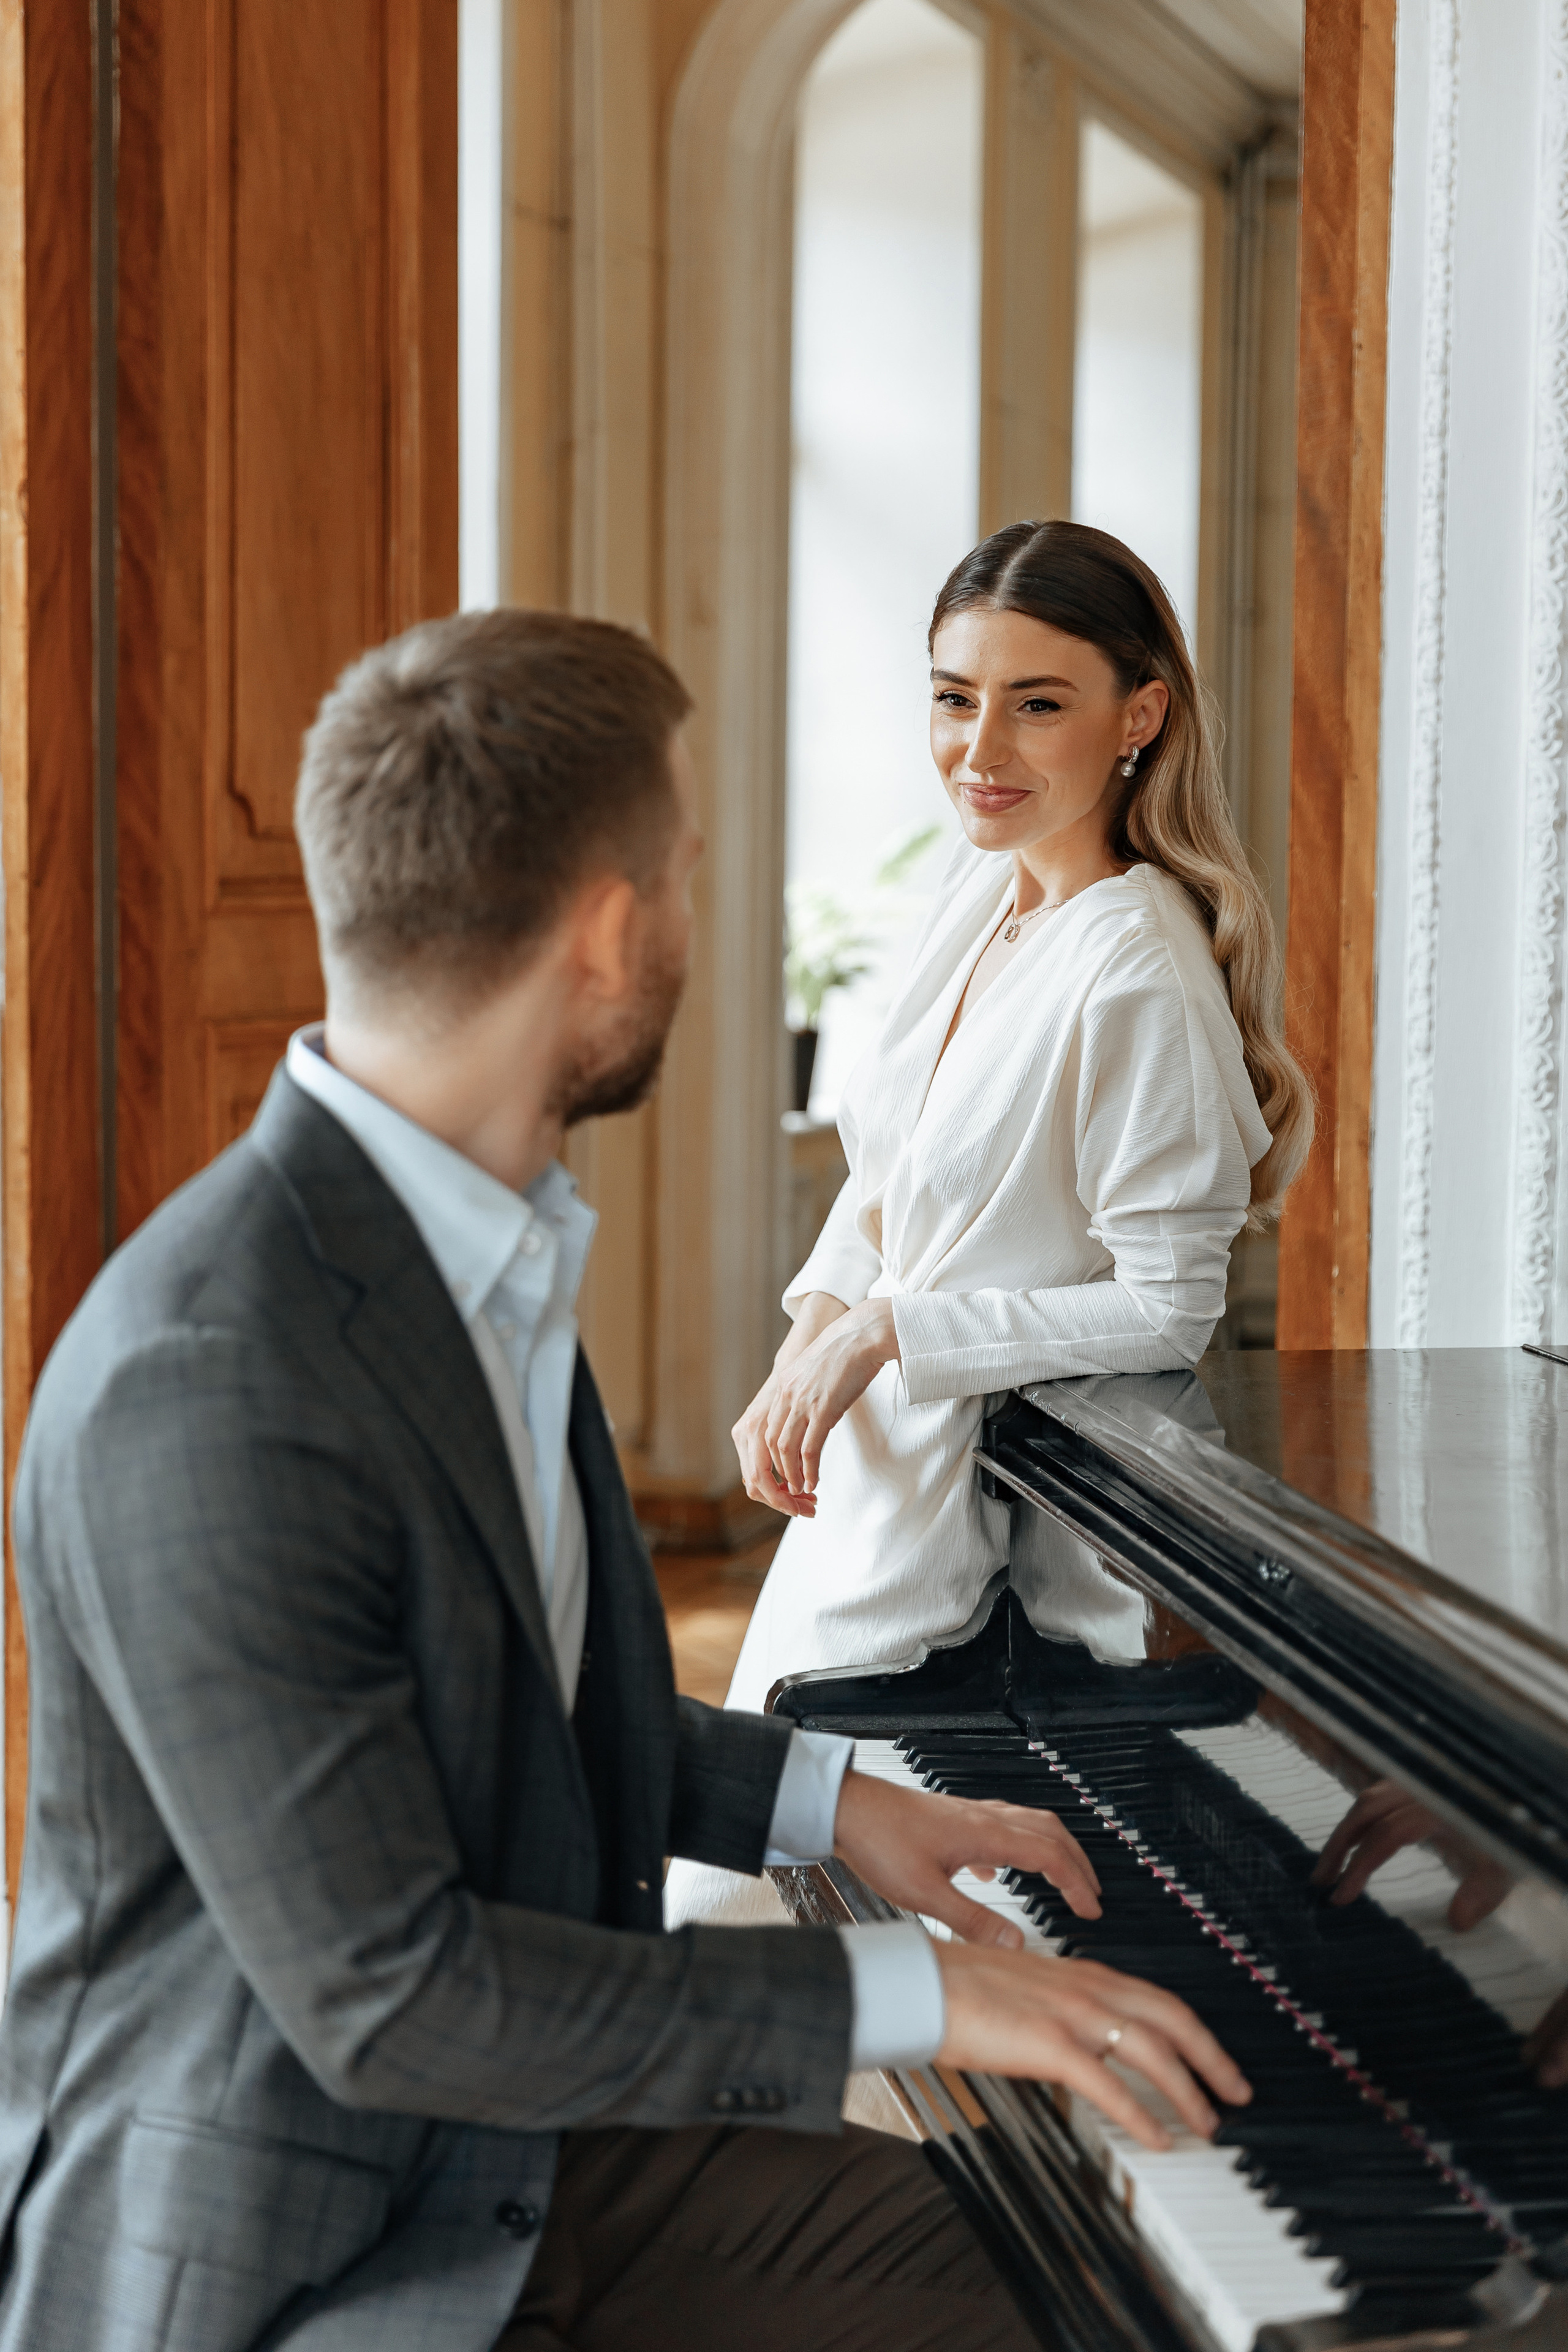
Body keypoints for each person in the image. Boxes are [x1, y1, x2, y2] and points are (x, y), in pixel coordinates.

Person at [0, 610, 1250, 2352]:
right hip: (301, 2242)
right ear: (606, 934)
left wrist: (834, 1805)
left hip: (532, 2153)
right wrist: (916, 1989)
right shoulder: (207, 1380)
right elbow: (397, 1998)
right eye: (678, 874)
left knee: (1111, 2290)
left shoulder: (477, 1245)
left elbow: (509, 1712)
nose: (690, 918)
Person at [667, 523, 1310, 1941]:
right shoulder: (979, 899)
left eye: (1036, 702)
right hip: (862, 1484)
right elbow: (887, 1172)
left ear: (1137, 717)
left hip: (966, 1537)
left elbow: (1166, 1306)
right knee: (742, 1875)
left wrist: (894, 1329)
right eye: (954, 697)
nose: (978, 746)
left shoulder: (1134, 969)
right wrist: (816, 1337)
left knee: (772, 1907)